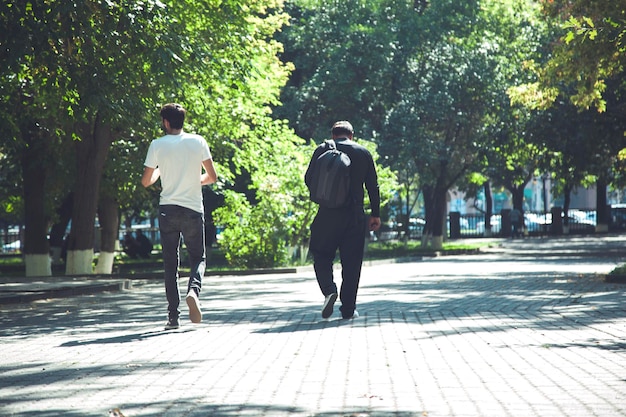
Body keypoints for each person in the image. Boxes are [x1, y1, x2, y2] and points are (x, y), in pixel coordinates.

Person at [142, 103, 218, 330]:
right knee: (198, 258)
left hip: (168, 210)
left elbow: (146, 181)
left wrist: (158, 171)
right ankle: (193, 291)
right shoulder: (198, 141)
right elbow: (212, 177)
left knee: (170, 265)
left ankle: (173, 318)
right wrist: (195, 180)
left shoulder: (157, 145)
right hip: (193, 209)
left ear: (166, 122)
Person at [305, 121, 381, 320]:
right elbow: (373, 186)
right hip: (354, 216)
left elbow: (308, 179)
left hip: (327, 214)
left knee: (321, 254)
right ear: (351, 135)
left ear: (333, 135)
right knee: (352, 264)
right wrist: (375, 214)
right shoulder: (363, 152)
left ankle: (329, 290)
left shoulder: (322, 149)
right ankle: (348, 309)